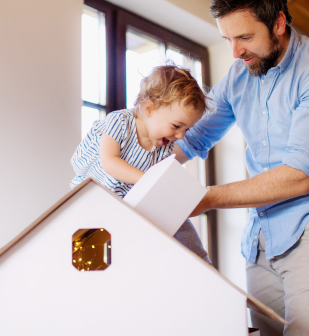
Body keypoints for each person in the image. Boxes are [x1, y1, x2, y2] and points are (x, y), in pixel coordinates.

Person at [173, 0, 309, 335]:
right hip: (261, 238)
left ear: (279, 22)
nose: (236, 50)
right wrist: (133, 158)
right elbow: (190, 140)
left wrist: (204, 199)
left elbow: (299, 176)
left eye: (244, 36)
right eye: (227, 39)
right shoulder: (239, 76)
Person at [70, 65, 212, 263]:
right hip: (94, 200)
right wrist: (148, 180)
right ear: (149, 109)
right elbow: (109, 162)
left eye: (186, 130)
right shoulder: (120, 122)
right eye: (176, 126)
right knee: (91, 253)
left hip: (127, 206)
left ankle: (201, 263)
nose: (180, 136)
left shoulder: (163, 147)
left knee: (180, 223)